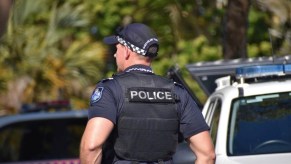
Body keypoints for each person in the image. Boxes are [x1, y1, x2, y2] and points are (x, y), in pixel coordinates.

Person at [80, 23, 215, 164]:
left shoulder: (110, 89)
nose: (114, 54)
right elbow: (207, 154)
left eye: (117, 48)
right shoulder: (177, 92)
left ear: (126, 50)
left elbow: (91, 147)